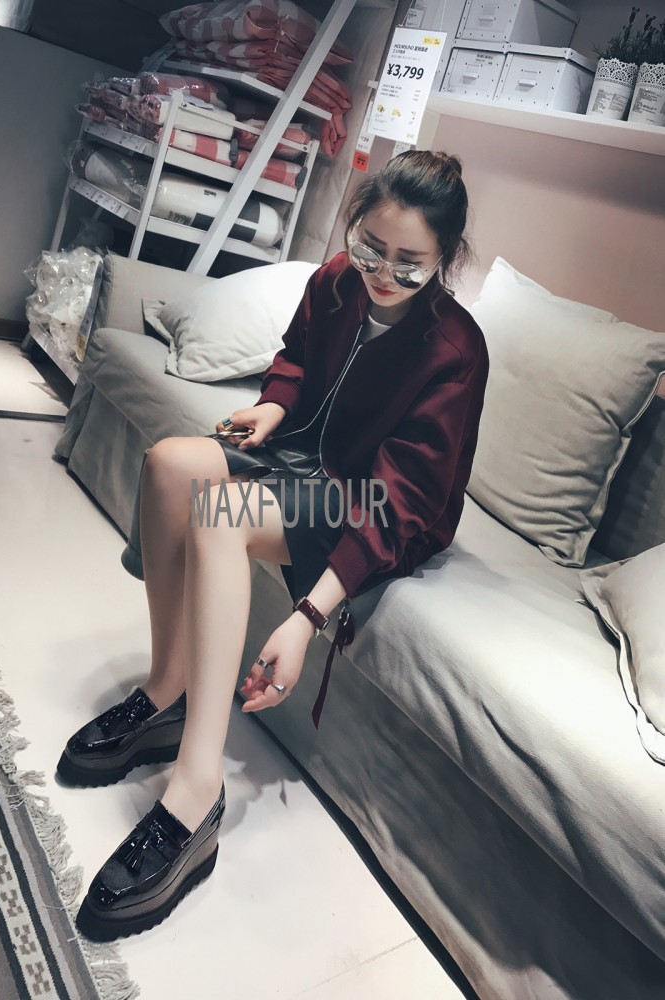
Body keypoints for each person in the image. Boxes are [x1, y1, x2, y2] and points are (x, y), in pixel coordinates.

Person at [57, 150, 489, 942]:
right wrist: (274, 408)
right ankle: (166, 693)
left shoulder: (455, 350)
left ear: (446, 258)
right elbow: (294, 357)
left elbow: (405, 501)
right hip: (301, 456)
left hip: (372, 499)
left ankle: (196, 794)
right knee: (168, 467)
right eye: (371, 248)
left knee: (220, 514)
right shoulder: (337, 280)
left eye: (409, 263)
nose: (383, 273)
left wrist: (308, 616)